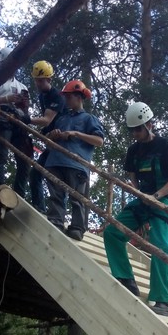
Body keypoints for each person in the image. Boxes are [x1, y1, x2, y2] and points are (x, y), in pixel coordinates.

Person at [104, 102, 168, 317]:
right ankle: (126, 279)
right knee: (112, 232)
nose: (135, 134)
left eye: (138, 129)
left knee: (161, 246)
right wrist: (138, 193)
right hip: (142, 199)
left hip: (163, 199)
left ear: (149, 125)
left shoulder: (165, 146)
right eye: (132, 130)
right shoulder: (133, 150)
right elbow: (133, 177)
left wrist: (156, 196)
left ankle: (162, 300)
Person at [45, 79, 104, 241]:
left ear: (79, 97)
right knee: (56, 196)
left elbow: (99, 141)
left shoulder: (89, 118)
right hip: (55, 161)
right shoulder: (61, 118)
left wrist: (76, 133)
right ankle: (55, 223)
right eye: (65, 97)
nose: (66, 100)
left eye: (69, 97)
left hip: (77, 165)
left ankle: (77, 228)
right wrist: (52, 135)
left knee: (77, 199)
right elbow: (47, 141)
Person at [0, 47, 32, 196]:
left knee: (24, 158)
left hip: (19, 122)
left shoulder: (22, 87)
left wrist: (23, 105)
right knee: (2, 155)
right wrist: (6, 99)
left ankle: (19, 193)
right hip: (2, 119)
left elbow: (26, 111)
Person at [29, 60, 66, 213]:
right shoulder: (42, 96)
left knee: (55, 178)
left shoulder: (57, 96)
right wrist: (43, 132)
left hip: (60, 142)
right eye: (36, 80)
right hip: (51, 140)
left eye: (41, 80)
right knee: (35, 173)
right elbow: (47, 122)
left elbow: (47, 119)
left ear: (49, 79)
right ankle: (39, 208)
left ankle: (56, 214)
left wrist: (26, 119)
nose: (37, 83)